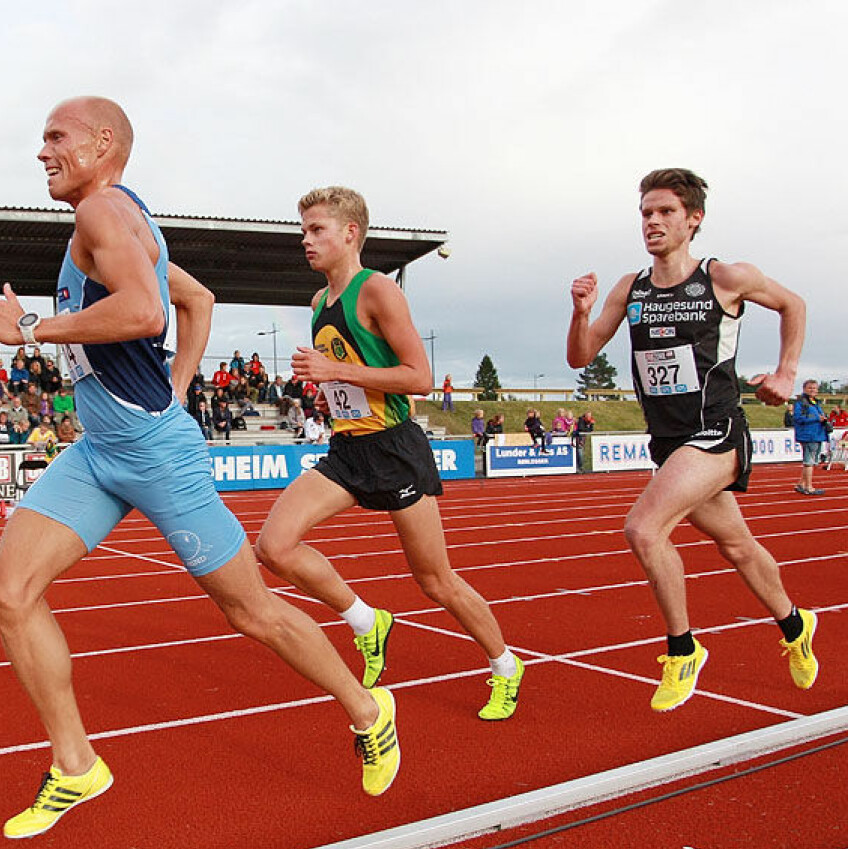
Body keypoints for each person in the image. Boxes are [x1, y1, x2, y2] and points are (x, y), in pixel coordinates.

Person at [0, 98, 398, 840]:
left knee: (251, 611)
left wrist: (33, 332)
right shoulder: (116, 219)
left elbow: (144, 312)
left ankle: (369, 710)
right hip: (101, 450)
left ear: (104, 143)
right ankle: (77, 767)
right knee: (9, 591)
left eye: (56, 138)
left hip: (155, 454)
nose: (41, 152)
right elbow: (195, 299)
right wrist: (178, 382)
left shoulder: (104, 213)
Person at [256, 185, 524, 720]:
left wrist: (335, 371)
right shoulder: (318, 303)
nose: (305, 241)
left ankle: (505, 666)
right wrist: (324, 382)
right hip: (347, 449)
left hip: (396, 450)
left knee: (435, 581)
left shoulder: (376, 290)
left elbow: (418, 377)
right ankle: (365, 621)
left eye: (317, 230)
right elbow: (348, 378)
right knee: (273, 546)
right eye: (302, 231)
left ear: (350, 233)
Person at [567, 167, 818, 712]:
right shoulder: (629, 288)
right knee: (736, 546)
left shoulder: (725, 277)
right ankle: (797, 625)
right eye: (645, 214)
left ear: (692, 219)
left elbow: (794, 305)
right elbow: (582, 357)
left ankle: (682, 649)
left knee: (643, 528)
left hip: (718, 431)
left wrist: (786, 373)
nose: (652, 222)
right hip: (670, 442)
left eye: (664, 213)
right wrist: (580, 314)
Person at [792, 379, 828, 496]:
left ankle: (801, 484)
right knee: (809, 462)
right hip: (808, 435)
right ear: (804, 389)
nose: (812, 390)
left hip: (817, 434)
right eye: (810, 388)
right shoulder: (801, 403)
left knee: (812, 461)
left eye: (814, 388)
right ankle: (808, 487)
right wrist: (817, 419)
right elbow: (798, 418)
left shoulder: (815, 402)